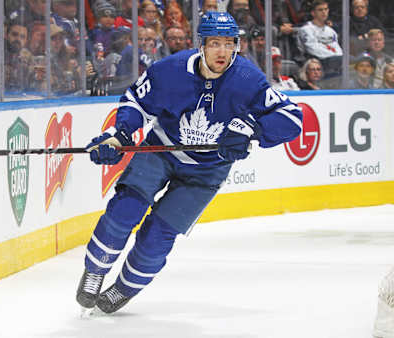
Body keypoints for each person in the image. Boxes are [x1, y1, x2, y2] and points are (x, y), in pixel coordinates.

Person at [76, 11, 302, 315]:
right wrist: (120, 134)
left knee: (158, 237)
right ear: (201, 45)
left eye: (229, 44)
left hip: (207, 171)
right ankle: (95, 270)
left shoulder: (248, 80)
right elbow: (136, 103)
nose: (223, 51)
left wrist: (254, 128)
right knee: (125, 209)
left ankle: (126, 287)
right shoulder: (169, 70)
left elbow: (291, 118)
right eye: (215, 43)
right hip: (160, 150)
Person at [297, 0, 343, 86]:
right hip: (317, 61)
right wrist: (335, 56)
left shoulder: (331, 31)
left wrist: (339, 57)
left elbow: (337, 48)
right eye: (320, 10)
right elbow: (313, 49)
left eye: (326, 9)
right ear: (313, 13)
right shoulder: (306, 29)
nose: (324, 12)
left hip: (334, 61)